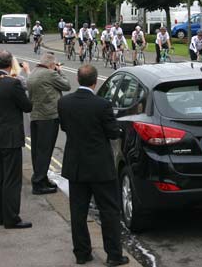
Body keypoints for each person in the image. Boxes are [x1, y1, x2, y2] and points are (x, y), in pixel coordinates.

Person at [58, 65, 129, 267]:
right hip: (100, 167)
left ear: (79, 80)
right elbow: (113, 132)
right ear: (95, 81)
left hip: (76, 165)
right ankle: (114, 255)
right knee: (109, 211)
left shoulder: (64, 102)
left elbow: (64, 127)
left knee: (78, 212)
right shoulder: (102, 104)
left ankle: (82, 253)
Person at [0, 50, 33, 229]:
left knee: (0, 177)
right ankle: (11, 218)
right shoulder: (13, 84)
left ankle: (0, 216)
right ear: (11, 64)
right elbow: (27, 107)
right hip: (10, 137)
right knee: (12, 179)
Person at [27, 52, 71, 195]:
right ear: (51, 65)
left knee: (37, 150)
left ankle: (41, 177)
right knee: (45, 151)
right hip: (48, 117)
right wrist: (60, 71)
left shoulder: (33, 72)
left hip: (35, 116)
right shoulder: (50, 74)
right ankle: (39, 183)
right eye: (54, 65)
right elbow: (67, 85)